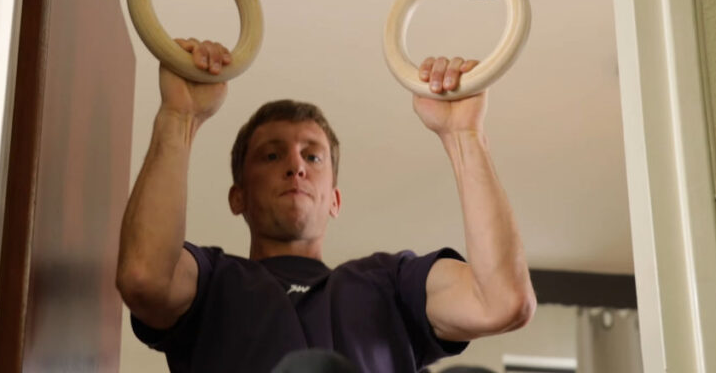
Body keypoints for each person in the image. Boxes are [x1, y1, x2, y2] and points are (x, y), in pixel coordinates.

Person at [116, 38, 536, 373]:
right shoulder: (212, 282)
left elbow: (503, 302)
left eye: (312, 156)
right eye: (272, 155)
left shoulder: (391, 283)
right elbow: (143, 278)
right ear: (237, 196)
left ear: (335, 200)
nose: (296, 166)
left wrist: (463, 134)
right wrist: (178, 115)